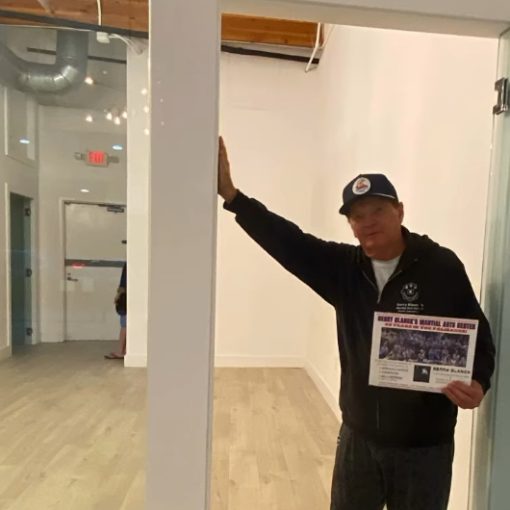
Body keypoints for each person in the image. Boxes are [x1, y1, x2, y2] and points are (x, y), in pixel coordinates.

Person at [217, 136, 495, 510]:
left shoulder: (441, 266)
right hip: (358, 440)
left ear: (399, 211)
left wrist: (479, 381)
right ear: (350, 224)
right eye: (357, 216)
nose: (367, 223)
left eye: (377, 210)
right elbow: (289, 242)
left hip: (425, 447)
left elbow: (479, 337)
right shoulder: (343, 270)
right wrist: (233, 198)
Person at [105, 262, 127, 360]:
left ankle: (121, 351)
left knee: (124, 325)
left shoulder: (128, 264)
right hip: (130, 299)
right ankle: (125, 351)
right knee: (127, 325)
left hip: (125, 300)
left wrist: (117, 295)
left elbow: (123, 284)